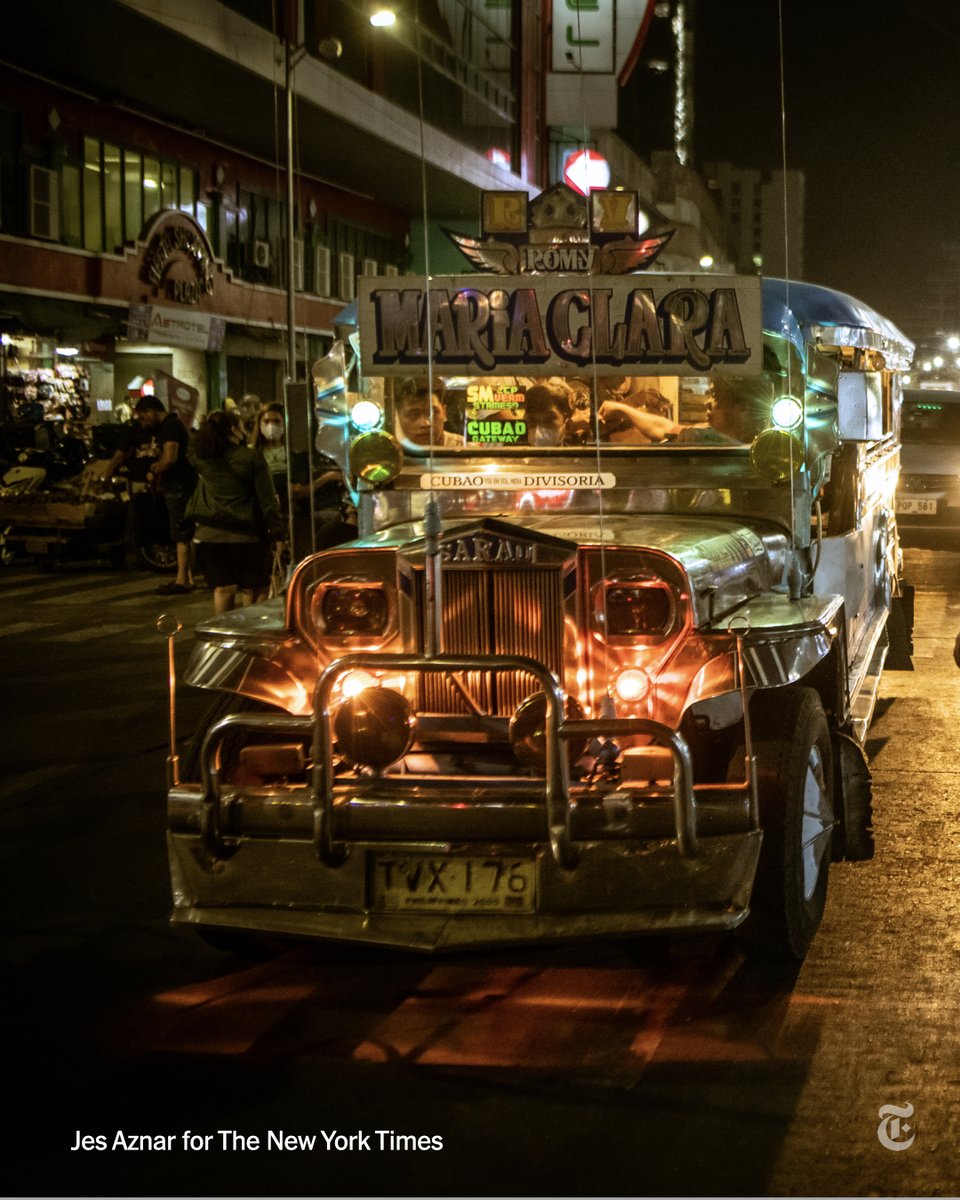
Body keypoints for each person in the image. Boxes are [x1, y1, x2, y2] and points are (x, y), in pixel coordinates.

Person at [186, 408, 284, 614]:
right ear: (233, 430)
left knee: (223, 589)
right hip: (247, 536)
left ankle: (224, 639)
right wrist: (277, 532)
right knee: (255, 588)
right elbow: (267, 499)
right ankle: (251, 635)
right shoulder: (250, 458)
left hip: (209, 535)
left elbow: (189, 445)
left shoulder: (202, 459)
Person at [102, 394, 197, 593]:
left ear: (151, 411)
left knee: (180, 532)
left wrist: (155, 468)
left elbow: (170, 458)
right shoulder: (171, 425)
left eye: (144, 417)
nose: (143, 423)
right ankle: (185, 576)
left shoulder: (170, 427)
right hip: (178, 484)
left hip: (178, 485)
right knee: (182, 532)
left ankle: (182, 580)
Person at [253, 401, 352, 558]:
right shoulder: (254, 454)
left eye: (276, 421)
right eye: (266, 421)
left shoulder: (296, 454)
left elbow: (299, 489)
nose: (271, 426)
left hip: (297, 513)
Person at [598, 373, 775, 446]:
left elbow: (661, 430)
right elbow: (673, 428)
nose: (708, 403)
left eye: (716, 396)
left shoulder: (711, 441)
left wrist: (622, 409)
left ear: (741, 406)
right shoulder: (756, 444)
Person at [396, 381, 464, 446]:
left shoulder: (465, 448)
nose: (425, 423)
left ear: (444, 412)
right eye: (414, 415)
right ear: (397, 417)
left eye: (433, 413)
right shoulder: (391, 448)